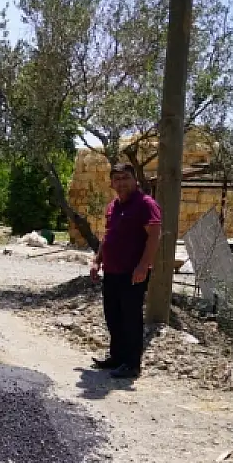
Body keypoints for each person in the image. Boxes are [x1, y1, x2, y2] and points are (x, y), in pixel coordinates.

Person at [89, 162, 162, 379]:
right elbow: (108, 236)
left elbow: (154, 236)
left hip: (133, 273)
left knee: (131, 319)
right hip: (112, 271)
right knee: (113, 316)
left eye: (125, 178)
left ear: (135, 180)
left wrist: (143, 266)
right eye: (117, 179)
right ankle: (117, 357)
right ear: (112, 183)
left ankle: (132, 364)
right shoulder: (113, 206)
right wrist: (97, 260)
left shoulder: (146, 204)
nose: (121, 183)